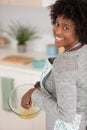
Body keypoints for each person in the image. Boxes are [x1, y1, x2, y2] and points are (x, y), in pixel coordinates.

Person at [21, 0, 87, 130]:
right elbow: (76, 84)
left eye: (66, 28)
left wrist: (33, 93)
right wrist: (43, 86)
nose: (57, 31)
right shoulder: (83, 50)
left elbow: (66, 115)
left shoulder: (65, 63)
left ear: (80, 30)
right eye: (57, 24)